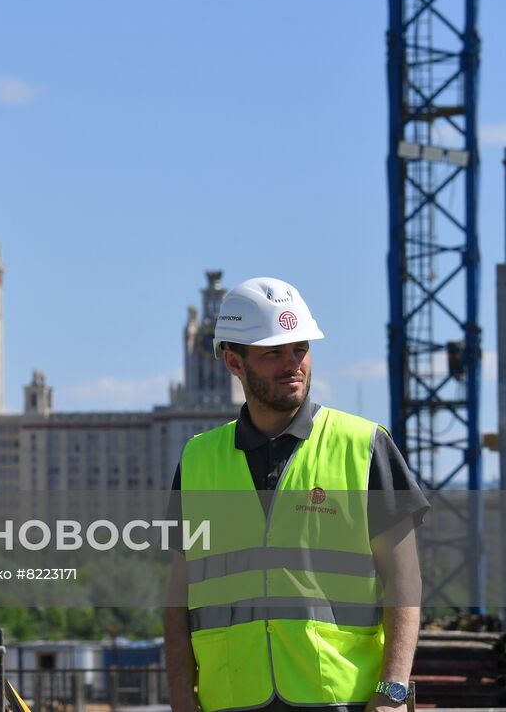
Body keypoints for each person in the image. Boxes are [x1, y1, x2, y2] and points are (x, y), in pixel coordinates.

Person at [164, 277, 428, 712]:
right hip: (230, 700)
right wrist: (180, 695)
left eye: (300, 349)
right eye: (274, 353)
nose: (293, 365)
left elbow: (405, 580)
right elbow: (178, 595)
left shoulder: (364, 446)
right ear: (234, 362)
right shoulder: (198, 459)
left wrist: (394, 690)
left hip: (342, 699)